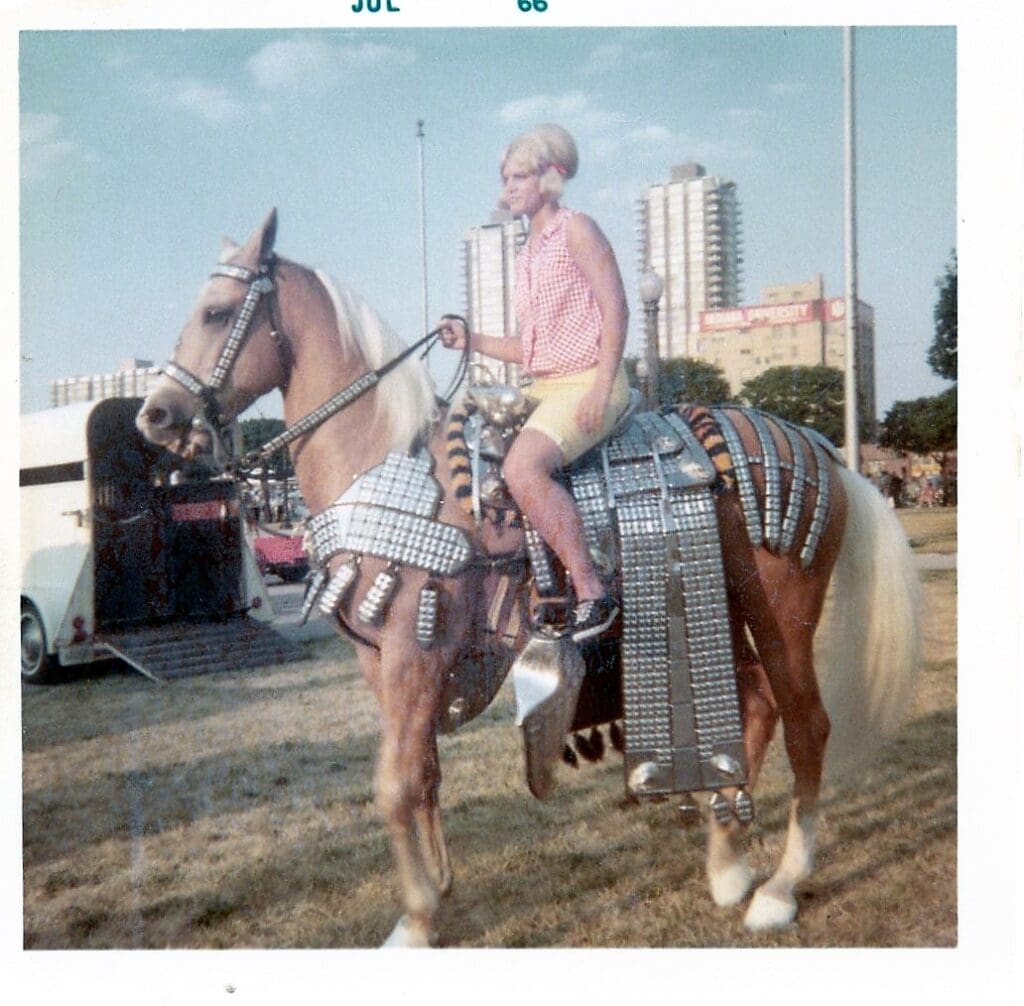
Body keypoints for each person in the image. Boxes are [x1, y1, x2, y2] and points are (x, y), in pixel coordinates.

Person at [439, 124, 631, 641]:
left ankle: (593, 590)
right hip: (543, 384)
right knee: (466, 437)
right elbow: (531, 349)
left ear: (552, 177)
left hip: (590, 380)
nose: (509, 187)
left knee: (523, 467)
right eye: (506, 177)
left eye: (519, 175)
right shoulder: (526, 254)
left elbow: (616, 308)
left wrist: (600, 386)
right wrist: (471, 339)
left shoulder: (577, 229)